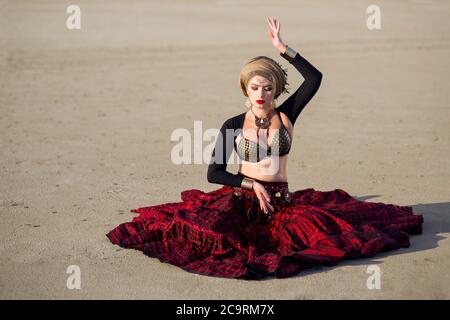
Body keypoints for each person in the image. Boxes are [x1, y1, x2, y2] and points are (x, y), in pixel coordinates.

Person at [106, 17, 423, 280]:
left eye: (268, 87)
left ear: (276, 88)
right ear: (246, 87)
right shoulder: (232, 124)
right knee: (210, 239)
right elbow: (214, 173)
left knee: (332, 236)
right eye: (255, 87)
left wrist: (285, 49)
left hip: (282, 203)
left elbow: (314, 79)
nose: (261, 93)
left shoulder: (287, 114)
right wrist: (251, 183)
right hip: (240, 203)